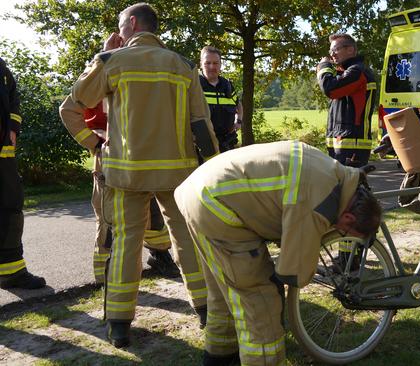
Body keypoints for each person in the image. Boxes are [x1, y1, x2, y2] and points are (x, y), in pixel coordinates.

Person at [58, 3, 219, 348]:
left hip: (126, 175)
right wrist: (214, 166)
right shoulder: (183, 66)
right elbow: (201, 126)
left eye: (120, 26)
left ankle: (119, 326)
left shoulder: (112, 62)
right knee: (186, 239)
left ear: (131, 24)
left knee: (127, 243)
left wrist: (94, 145)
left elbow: (71, 106)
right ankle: (206, 312)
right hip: (177, 174)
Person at [174, 140, 382, 366]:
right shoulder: (321, 201)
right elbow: (294, 273)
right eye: (344, 230)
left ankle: (220, 356)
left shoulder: (331, 173)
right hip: (216, 207)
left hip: (201, 191)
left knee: (226, 291)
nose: (339, 231)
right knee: (261, 298)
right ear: (349, 217)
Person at [81, 103, 179, 283]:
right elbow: (72, 111)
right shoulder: (99, 76)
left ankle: (159, 255)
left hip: (144, 153)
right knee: (108, 217)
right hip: (111, 156)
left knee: (153, 211)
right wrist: (95, 141)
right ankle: (106, 274)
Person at [0, 57, 46, 290]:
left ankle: (11, 271)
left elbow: (13, 101)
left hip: (4, 154)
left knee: (10, 208)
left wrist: (14, 129)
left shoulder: (3, 70)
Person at [317, 33, 377, 168]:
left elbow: (330, 89)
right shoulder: (346, 73)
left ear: (350, 50)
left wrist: (323, 67)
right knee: (344, 188)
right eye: (330, 51)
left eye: (335, 50)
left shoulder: (357, 72)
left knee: (350, 188)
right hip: (342, 144)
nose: (332, 54)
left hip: (351, 147)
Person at [199, 46, 243, 153]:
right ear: (201, 64)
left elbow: (238, 104)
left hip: (227, 143)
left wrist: (239, 121)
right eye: (207, 63)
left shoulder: (227, 85)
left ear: (220, 65)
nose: (212, 66)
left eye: (215, 63)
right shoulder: (195, 86)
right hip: (203, 144)